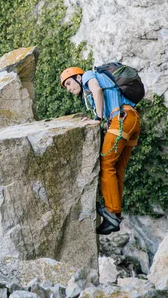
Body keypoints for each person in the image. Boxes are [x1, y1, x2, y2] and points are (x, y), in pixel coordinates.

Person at [60, 66, 142, 235]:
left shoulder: (89, 76)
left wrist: (97, 119)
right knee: (117, 168)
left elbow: (97, 89)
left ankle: (112, 212)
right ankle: (115, 212)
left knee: (106, 164)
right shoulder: (90, 89)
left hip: (122, 119)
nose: (69, 88)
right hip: (131, 119)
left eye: (69, 83)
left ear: (78, 77)